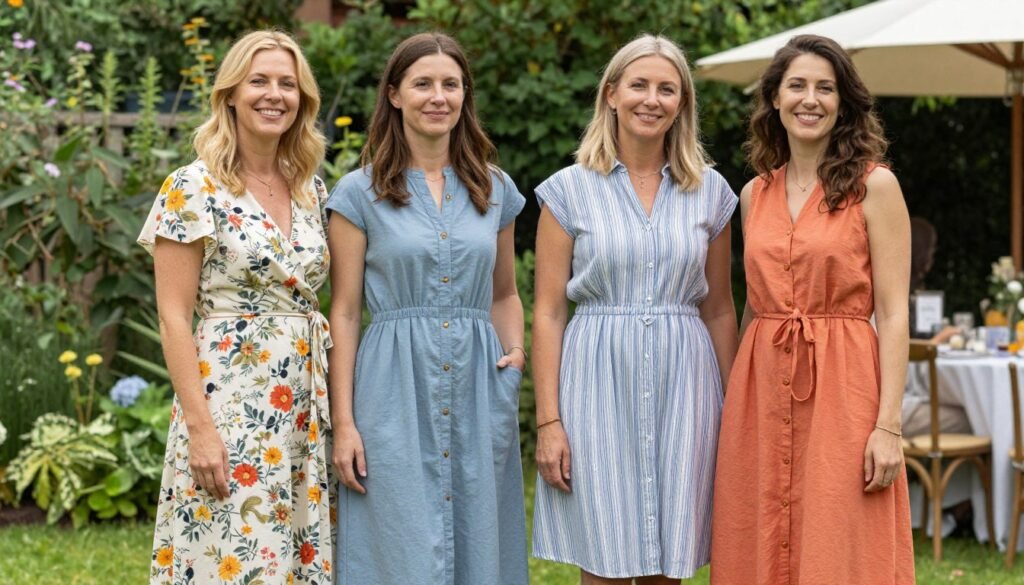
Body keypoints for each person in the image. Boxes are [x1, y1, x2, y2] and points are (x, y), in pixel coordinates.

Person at [530, 35, 739, 584]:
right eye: (639, 85)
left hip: (686, 383)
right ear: (612, 94)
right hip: (597, 382)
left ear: (682, 103)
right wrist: (549, 421)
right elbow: (548, 312)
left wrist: (737, 411)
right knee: (604, 555)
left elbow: (720, 309)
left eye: (667, 89)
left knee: (671, 558)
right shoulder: (568, 191)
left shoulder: (711, 192)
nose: (652, 99)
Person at [710, 34, 915, 584]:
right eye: (797, 85)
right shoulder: (753, 194)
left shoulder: (876, 187)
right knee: (759, 525)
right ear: (775, 98)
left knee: (839, 530)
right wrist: (737, 402)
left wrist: (889, 426)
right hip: (760, 387)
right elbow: (754, 306)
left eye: (825, 88)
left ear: (843, 102)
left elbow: (894, 314)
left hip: (846, 386)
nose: (810, 99)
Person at [326, 32, 528, 584]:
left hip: (478, 382)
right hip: (391, 387)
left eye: (450, 84)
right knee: (398, 538)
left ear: (465, 95)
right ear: (394, 95)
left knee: (479, 532)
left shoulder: (495, 189)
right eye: (423, 84)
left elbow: (504, 293)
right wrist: (344, 422)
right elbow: (345, 311)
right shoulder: (358, 193)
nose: (438, 97)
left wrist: (514, 353)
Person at [139, 31, 334, 584]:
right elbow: (173, 317)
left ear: (302, 100)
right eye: (259, 81)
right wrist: (200, 429)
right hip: (229, 399)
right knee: (232, 552)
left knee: (291, 555)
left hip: (301, 400)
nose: (274, 95)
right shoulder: (192, 186)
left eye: (287, 84)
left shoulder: (311, 190)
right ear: (229, 94)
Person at [904, 216, 970, 437]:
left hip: (907, 398)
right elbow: (898, 348)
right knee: (974, 417)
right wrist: (937, 340)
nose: (932, 257)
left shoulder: (914, 291)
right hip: (900, 407)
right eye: (931, 250)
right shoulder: (894, 296)